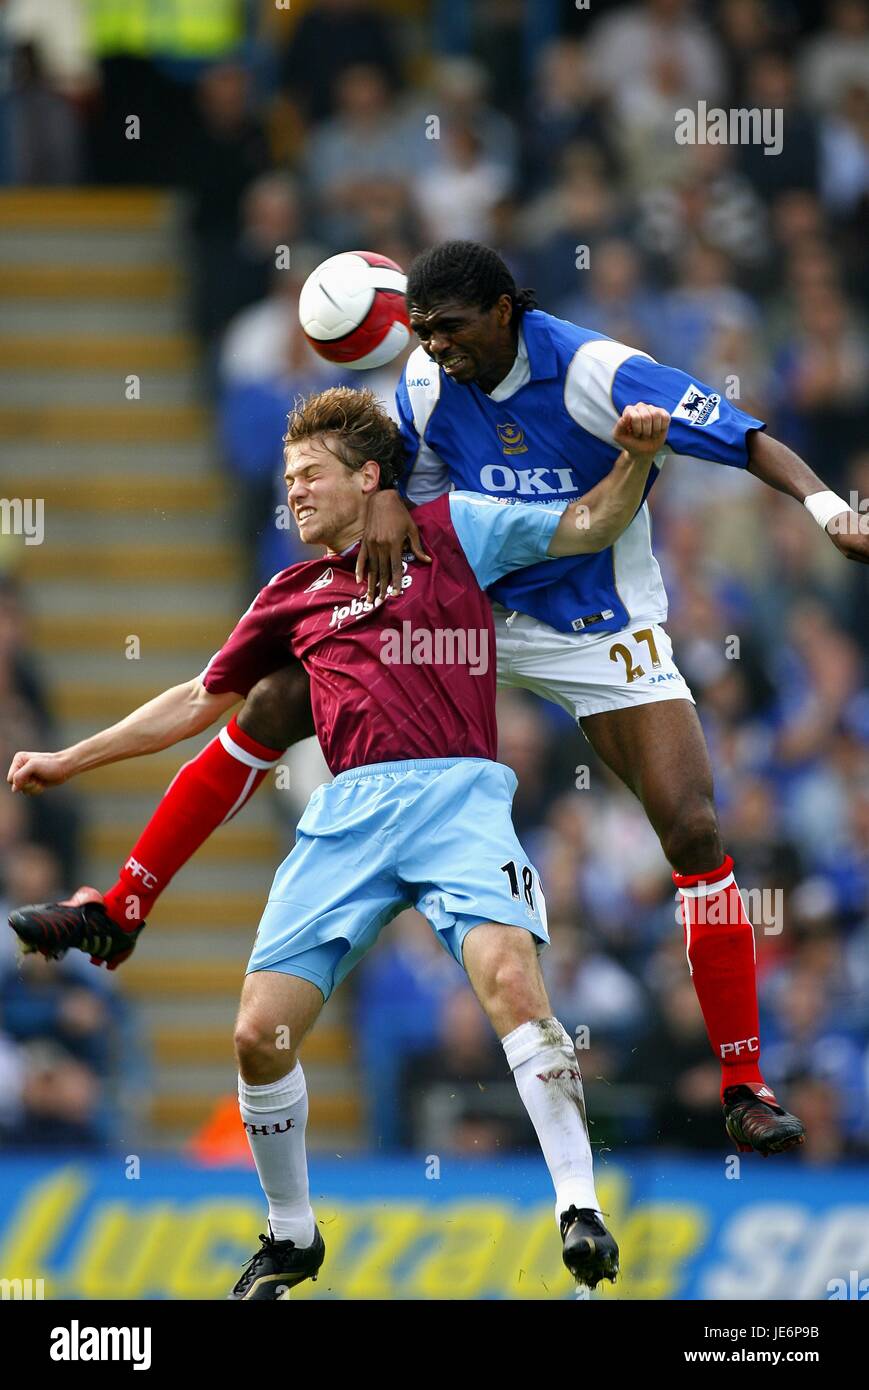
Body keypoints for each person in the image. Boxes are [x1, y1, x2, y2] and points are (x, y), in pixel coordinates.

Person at [14, 239, 858, 1158]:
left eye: (448, 329)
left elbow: (746, 436)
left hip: (599, 626)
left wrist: (829, 511)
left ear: (504, 311)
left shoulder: (594, 370)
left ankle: (741, 1082)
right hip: (472, 617)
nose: (433, 347)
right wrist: (381, 501)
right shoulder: (421, 382)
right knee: (268, 702)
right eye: (419, 331)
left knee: (692, 828)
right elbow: (398, 477)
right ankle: (122, 909)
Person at [9, 385, 666, 1295]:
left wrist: (635, 456)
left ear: (368, 476)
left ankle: (578, 1206)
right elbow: (193, 703)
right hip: (347, 817)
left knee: (511, 982)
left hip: (458, 799)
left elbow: (590, 523)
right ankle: (290, 1235)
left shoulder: (454, 530)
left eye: (310, 474)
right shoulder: (290, 592)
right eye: (285, 478)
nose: (294, 493)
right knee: (256, 1035)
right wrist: (69, 758)